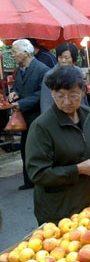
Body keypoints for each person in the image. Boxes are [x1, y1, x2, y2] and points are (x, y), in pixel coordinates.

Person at [25, 66, 90, 225]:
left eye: (73, 95)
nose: (67, 102)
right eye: (59, 96)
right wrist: (78, 169)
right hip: (58, 208)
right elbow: (38, 173)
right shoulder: (42, 126)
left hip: (87, 200)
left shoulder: (88, 114)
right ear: (52, 94)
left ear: (82, 92)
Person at [8, 39, 50, 190]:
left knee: (38, 148)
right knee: (25, 148)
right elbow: (17, 87)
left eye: (14, 52)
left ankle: (42, 178)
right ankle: (29, 180)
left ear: (25, 53)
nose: (13, 55)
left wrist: (23, 103)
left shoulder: (42, 69)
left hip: (38, 116)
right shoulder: (20, 71)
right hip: (24, 118)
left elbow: (42, 93)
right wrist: (13, 93)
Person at [40, 43, 89, 113]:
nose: (63, 60)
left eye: (66, 58)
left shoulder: (78, 71)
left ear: (73, 58)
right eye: (60, 57)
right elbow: (46, 103)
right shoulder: (50, 75)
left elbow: (83, 98)